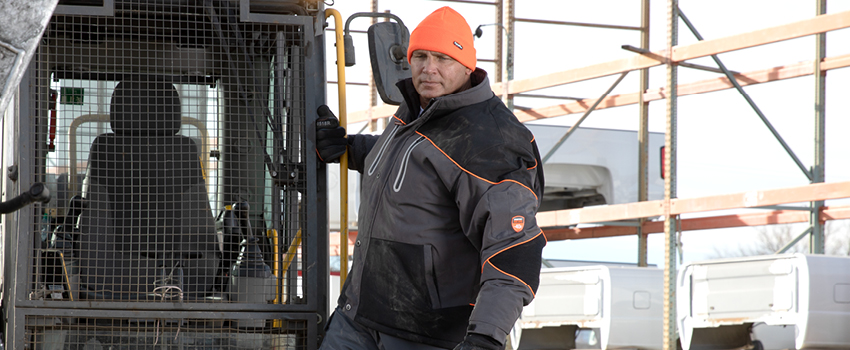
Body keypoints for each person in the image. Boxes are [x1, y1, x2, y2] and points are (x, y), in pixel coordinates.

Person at [315, 6, 545, 350]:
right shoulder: (417, 111)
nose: (429, 68)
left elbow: (513, 250)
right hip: (358, 318)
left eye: (443, 58)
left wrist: (486, 336)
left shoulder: (489, 142)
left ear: (468, 65)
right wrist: (348, 147)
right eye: (420, 56)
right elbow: (416, 164)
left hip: (424, 334)